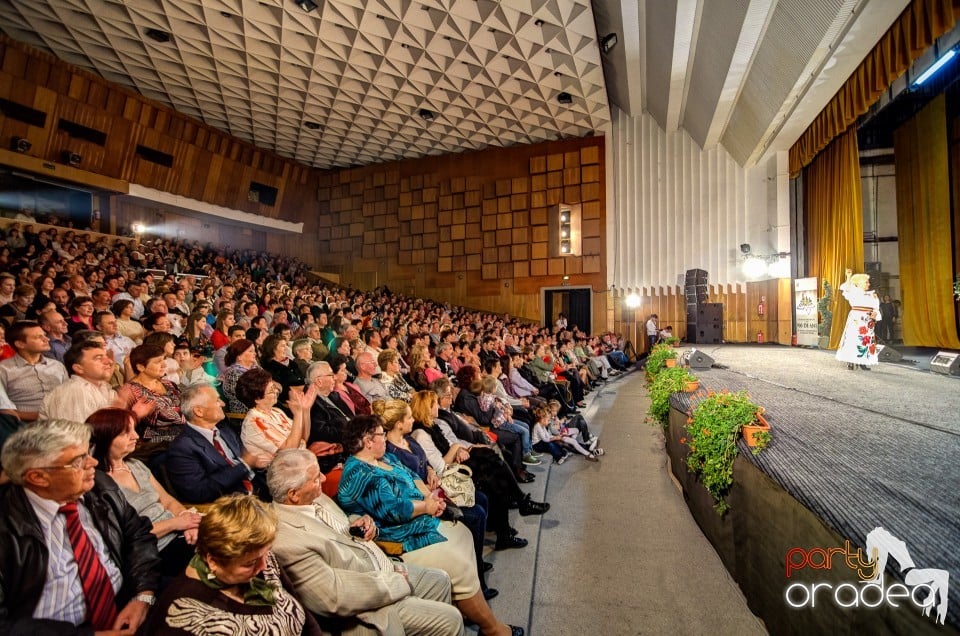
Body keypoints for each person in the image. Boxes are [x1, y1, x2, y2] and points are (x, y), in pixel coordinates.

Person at [336, 415, 524, 636]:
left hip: (419, 518)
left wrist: (430, 498)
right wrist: (425, 507)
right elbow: (394, 509)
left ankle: (467, 604)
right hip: (398, 536)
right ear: (368, 441)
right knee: (458, 560)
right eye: (381, 434)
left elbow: (413, 475)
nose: (385, 438)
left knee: (464, 533)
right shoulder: (358, 473)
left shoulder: (384, 457)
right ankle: (492, 629)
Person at [268, 449, 465, 636]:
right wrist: (396, 582)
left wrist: (358, 521)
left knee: (440, 580)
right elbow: (335, 596)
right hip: (368, 607)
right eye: (316, 478)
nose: (324, 479)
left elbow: (343, 525)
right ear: (293, 494)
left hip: (381, 566)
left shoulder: (313, 498)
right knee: (452, 620)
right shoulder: (287, 542)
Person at [0, 419, 161, 634]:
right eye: (78, 461)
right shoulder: (7, 527)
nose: (93, 463)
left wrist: (143, 596)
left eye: (89, 452)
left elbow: (138, 535)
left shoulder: (100, 487)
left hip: (126, 607)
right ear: (37, 477)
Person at [144, 494, 323, 635]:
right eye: (249, 563)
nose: (263, 566)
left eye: (266, 553)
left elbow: (299, 608)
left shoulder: (257, 554)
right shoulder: (184, 618)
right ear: (213, 561)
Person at [87, 407, 202, 578]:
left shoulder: (135, 465)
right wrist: (177, 523)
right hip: (154, 550)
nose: (136, 436)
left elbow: (168, 501)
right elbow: (124, 537)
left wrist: (188, 523)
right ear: (106, 438)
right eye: (126, 433)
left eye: (134, 429)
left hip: (179, 534)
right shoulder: (98, 483)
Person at [166, 383, 272, 504]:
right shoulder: (182, 448)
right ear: (199, 411)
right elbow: (199, 492)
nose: (223, 403)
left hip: (258, 492)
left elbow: (249, 462)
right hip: (229, 506)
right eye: (217, 400)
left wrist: (257, 464)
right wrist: (245, 465)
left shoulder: (225, 431)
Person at [0, 320, 69, 422]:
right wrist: (47, 417)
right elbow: (5, 410)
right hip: (25, 428)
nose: (47, 339)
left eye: (44, 335)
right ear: (20, 344)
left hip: (64, 422)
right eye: (38, 337)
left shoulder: (57, 366)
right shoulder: (4, 369)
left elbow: (69, 396)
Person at [238, 368, 314, 459]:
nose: (276, 392)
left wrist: (305, 410)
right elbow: (289, 451)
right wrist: (297, 414)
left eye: (274, 387)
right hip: (284, 469)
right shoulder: (254, 422)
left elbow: (303, 438)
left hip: (300, 460)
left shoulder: (276, 412)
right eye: (271, 390)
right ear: (257, 399)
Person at [836, 269, 881, 371]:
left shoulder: (872, 295)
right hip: (856, 318)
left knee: (866, 340)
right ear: (859, 283)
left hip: (867, 320)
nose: (868, 284)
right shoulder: (854, 292)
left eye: (868, 282)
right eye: (866, 282)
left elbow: (876, 307)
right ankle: (850, 361)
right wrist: (848, 277)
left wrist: (875, 316)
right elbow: (846, 288)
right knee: (853, 338)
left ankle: (863, 361)